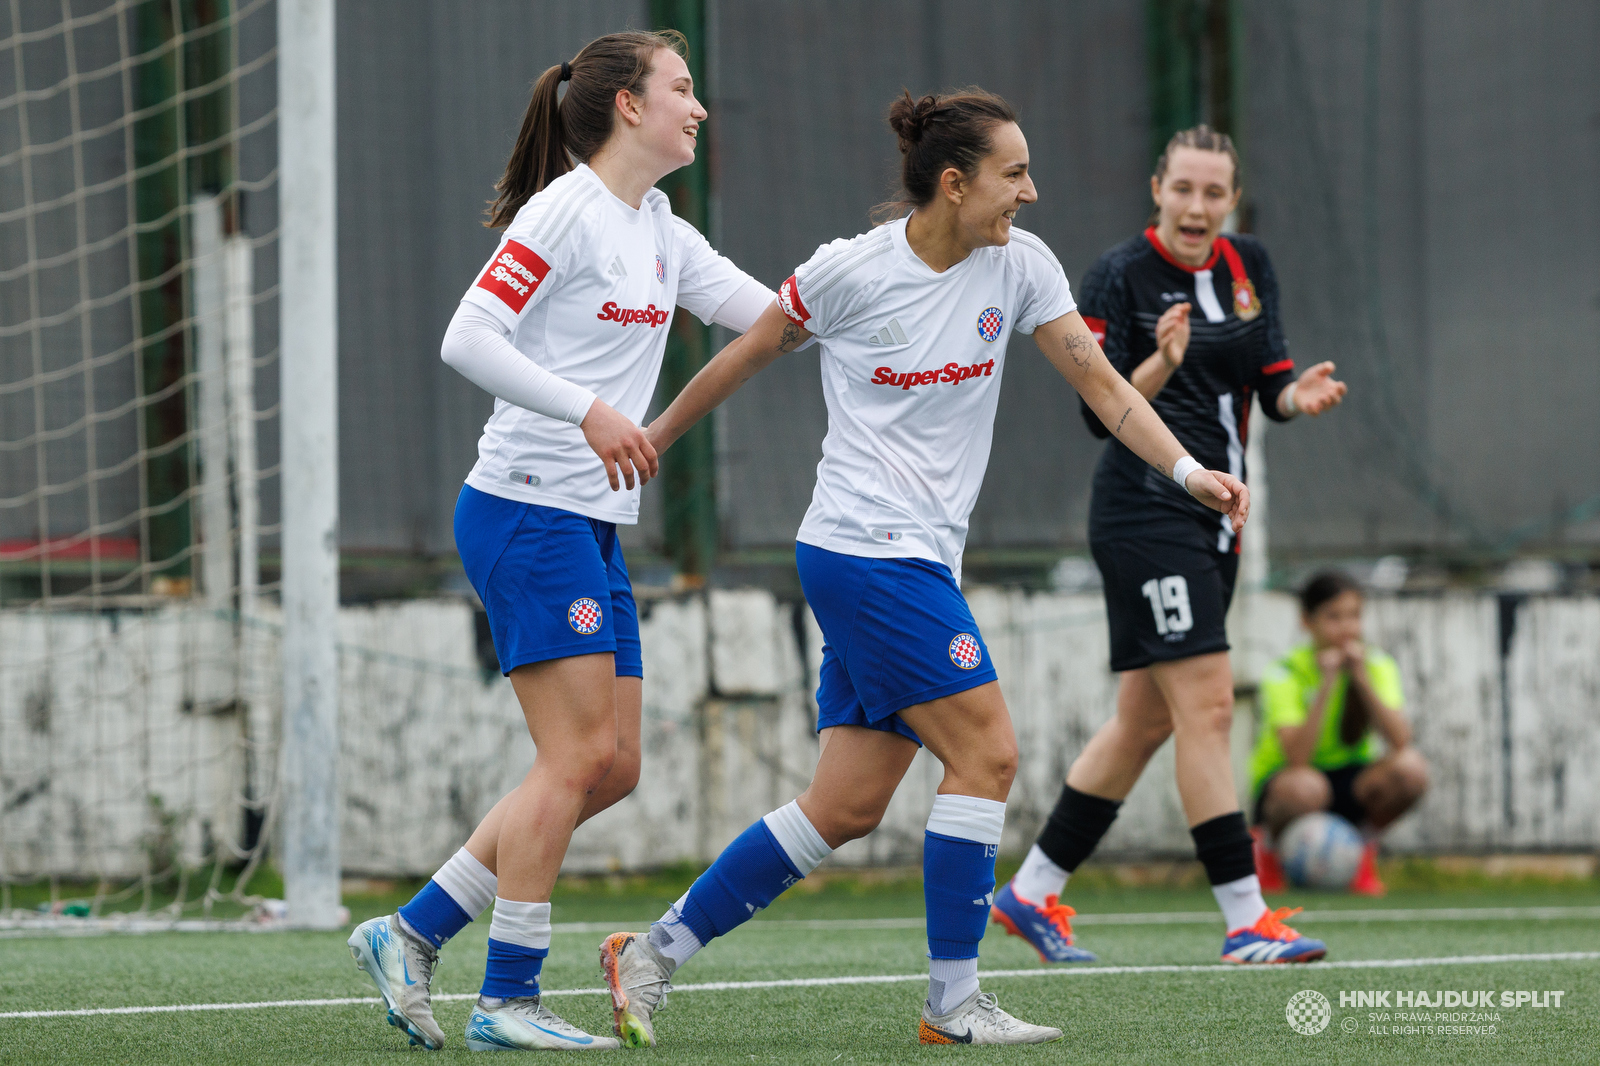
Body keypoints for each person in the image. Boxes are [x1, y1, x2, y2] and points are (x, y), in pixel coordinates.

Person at [595, 90, 1249, 1048]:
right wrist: (650, 435)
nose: (1032, 191)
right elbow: (743, 358)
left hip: (913, 562)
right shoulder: (849, 274)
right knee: (987, 754)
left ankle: (649, 954)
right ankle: (953, 1001)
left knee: (846, 805)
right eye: (1013, 174)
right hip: (864, 552)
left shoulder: (1021, 266)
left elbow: (1106, 388)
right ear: (955, 183)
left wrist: (1191, 472)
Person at [345, 31, 786, 1051]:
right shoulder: (565, 209)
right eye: (682, 89)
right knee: (573, 754)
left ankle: (413, 932)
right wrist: (589, 409)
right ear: (628, 107)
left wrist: (893, 282)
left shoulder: (663, 226)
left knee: (614, 763)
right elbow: (468, 337)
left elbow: (765, 318)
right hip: (524, 505)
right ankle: (507, 995)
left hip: (588, 520)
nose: (700, 108)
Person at [994, 125, 1348, 967]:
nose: (1197, 207)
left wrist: (1296, 397)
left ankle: (1031, 893)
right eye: (1183, 189)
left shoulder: (1247, 265)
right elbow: (1097, 410)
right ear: (1158, 188)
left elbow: (1269, 387)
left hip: (1216, 515)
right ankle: (1244, 919)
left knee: (1145, 721)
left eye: (1213, 193)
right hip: (1145, 510)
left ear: (1232, 200)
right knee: (1210, 705)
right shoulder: (1118, 274)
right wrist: (1158, 361)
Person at [1249, 570, 1429, 896]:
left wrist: (1360, 679)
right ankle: (1268, 856)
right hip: (1291, 787)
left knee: (1411, 769)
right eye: (1334, 617)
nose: (1347, 628)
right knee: (1305, 785)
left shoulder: (1376, 665)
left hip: (1348, 781)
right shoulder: (1284, 672)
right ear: (1307, 621)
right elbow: (1298, 758)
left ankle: (1360, 853)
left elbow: (1401, 741)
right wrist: (1328, 683)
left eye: (1354, 616)